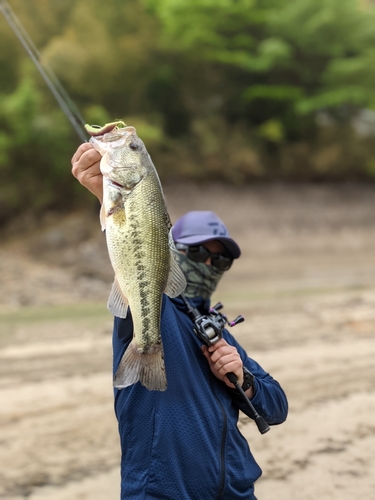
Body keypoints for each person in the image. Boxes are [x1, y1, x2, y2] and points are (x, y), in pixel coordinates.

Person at [71, 142, 288, 500]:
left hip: (236, 491)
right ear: (171, 248)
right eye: (200, 252)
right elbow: (136, 248)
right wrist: (106, 195)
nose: (208, 266)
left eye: (219, 261)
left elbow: (277, 406)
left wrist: (243, 379)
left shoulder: (216, 329)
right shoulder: (152, 306)